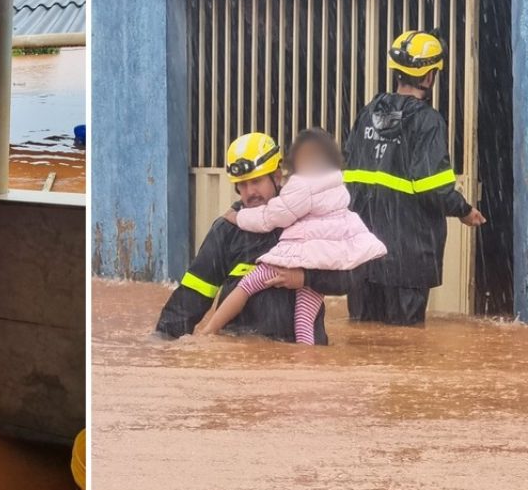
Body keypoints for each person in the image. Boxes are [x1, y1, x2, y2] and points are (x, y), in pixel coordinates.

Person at [155, 131, 365, 343]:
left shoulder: (311, 218)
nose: (250, 192)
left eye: (256, 181)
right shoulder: (226, 230)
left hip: (302, 359)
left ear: (276, 176)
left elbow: (351, 278)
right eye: (243, 185)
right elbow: (193, 294)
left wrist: (305, 278)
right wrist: (163, 342)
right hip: (239, 359)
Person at [344, 29, 486, 326]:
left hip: (361, 256)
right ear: (430, 77)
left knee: (362, 346)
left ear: (397, 72)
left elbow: (349, 176)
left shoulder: (368, 112)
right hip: (406, 260)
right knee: (405, 350)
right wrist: (463, 210)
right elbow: (432, 186)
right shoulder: (427, 120)